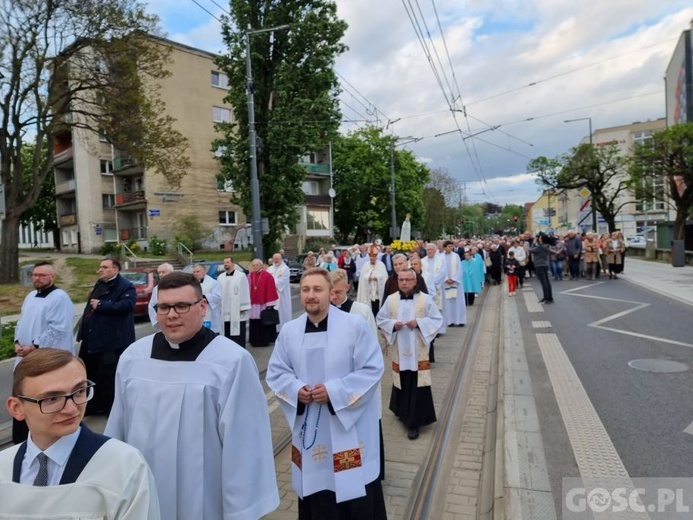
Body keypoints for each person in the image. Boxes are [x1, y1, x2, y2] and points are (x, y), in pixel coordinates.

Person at [105, 272, 279, 520]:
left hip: (203, 500)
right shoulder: (134, 358)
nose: (172, 315)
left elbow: (245, 447)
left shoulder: (231, 361)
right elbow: (117, 431)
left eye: (182, 306)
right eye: (164, 307)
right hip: (142, 497)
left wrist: (240, 512)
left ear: (203, 307)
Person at [267, 268, 386, 519]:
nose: (311, 295)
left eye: (318, 289)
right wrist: (296, 389)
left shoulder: (354, 326)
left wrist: (334, 392)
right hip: (311, 430)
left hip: (349, 429)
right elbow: (277, 372)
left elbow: (373, 368)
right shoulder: (289, 331)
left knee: (354, 492)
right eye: (306, 289)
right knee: (317, 492)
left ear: (330, 293)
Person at [1, 348, 160, 519]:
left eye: (79, 391)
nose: (71, 409)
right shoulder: (3, 466)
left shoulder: (125, 465)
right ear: (16, 408)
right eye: (51, 399)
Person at [12, 261, 75, 444]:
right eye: (35, 275)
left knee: (41, 398)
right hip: (24, 355)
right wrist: (17, 342)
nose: (37, 278)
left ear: (52, 277)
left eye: (42, 275)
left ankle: (46, 439)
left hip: (44, 357)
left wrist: (35, 347)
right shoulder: (31, 296)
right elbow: (22, 322)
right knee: (23, 396)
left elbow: (59, 329)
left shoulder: (59, 297)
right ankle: (22, 440)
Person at [377, 268, 442, 440]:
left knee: (417, 383)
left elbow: (437, 320)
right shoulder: (391, 300)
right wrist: (392, 325)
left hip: (417, 351)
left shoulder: (425, 300)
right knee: (402, 380)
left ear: (415, 281)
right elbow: (380, 319)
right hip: (399, 349)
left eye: (407, 279)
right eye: (401, 280)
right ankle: (401, 410)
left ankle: (414, 422)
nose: (404, 282)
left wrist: (419, 323)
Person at [77, 257, 136, 415]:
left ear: (115, 269)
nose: (100, 270)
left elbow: (128, 305)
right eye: (100, 267)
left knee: (108, 375)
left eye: (104, 267)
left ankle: (108, 407)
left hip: (111, 340)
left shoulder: (125, 286)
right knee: (90, 372)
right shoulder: (99, 283)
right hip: (92, 338)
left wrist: (103, 305)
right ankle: (91, 405)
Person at [219, 256, 251, 347]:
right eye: (224, 262)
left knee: (238, 333)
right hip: (225, 311)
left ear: (233, 263)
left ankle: (240, 349)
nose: (225, 264)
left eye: (227, 262)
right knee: (227, 332)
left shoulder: (241, 276)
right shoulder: (220, 277)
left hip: (237, 310)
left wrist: (243, 307)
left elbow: (245, 291)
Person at [247, 258, 279, 346]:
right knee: (254, 322)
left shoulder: (267, 275)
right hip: (253, 303)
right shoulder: (250, 275)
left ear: (261, 266)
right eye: (253, 265)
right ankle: (254, 341)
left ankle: (265, 341)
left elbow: (271, 289)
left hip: (263, 303)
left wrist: (270, 304)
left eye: (257, 265)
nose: (255, 267)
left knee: (263, 321)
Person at [356, 244, 389, 317]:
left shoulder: (381, 265)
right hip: (369, 292)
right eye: (371, 258)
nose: (372, 260)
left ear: (376, 257)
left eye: (373, 258)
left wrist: (377, 277)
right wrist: (368, 277)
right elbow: (363, 277)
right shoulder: (366, 265)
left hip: (378, 292)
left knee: (378, 306)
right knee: (370, 307)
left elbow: (384, 276)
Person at [442, 241, 467, 327]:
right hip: (445, 283)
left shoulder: (456, 256)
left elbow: (459, 269)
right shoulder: (441, 257)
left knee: (458, 302)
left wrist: (454, 279)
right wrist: (445, 278)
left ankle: (460, 320)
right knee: (448, 303)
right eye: (449, 246)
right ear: (444, 247)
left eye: (451, 246)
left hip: (456, 283)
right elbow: (440, 269)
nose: (451, 248)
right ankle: (450, 320)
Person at [192, 263, 223, 333]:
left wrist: (204, 297)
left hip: (210, 313)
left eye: (198, 271)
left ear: (204, 271)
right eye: (194, 272)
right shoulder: (192, 284)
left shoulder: (213, 283)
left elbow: (218, 297)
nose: (195, 274)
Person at [268, 252, 292, 331]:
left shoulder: (285, 269)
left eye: (277, 259)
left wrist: (270, 283)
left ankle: (283, 329)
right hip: (271, 295)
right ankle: (274, 331)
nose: (276, 260)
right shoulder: (269, 269)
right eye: (274, 259)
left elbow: (281, 282)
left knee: (283, 313)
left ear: (281, 259)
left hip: (282, 295)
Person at [148, 262, 174, 329]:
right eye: (159, 272)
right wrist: (156, 319)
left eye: (163, 272)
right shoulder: (156, 289)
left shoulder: (180, 286)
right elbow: (151, 306)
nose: (161, 274)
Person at [532, 233, 554, 303]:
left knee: (543, 282)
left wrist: (533, 243)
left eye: (540, 238)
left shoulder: (540, 247)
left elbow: (531, 250)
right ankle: (549, 297)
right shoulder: (547, 246)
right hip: (545, 264)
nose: (539, 238)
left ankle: (547, 298)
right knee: (547, 281)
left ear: (542, 239)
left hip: (539, 265)